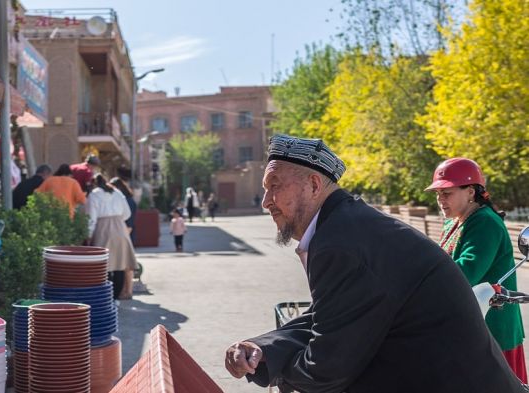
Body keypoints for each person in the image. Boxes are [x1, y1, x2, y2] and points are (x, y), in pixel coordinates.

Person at [224, 135, 526, 393]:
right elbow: (331, 314)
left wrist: (279, 371)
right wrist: (265, 349)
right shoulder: (346, 226)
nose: (266, 201)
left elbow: (327, 368)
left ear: (314, 185)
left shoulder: (340, 242)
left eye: (274, 185)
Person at [426, 157, 527, 382]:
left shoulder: (485, 222)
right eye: (438, 194)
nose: (440, 200)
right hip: (464, 324)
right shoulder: (454, 221)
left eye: (447, 193)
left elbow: (464, 272)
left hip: (491, 327)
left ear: (470, 192)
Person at [86, 174, 137, 300]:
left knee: (103, 265)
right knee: (120, 263)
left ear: (94, 184)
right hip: (120, 227)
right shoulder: (117, 192)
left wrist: (88, 235)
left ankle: (106, 297)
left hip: (103, 228)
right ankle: (116, 296)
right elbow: (127, 213)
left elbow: (91, 218)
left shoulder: (94, 195)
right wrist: (117, 219)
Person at [110, 170, 137, 296]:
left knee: (126, 265)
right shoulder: (128, 199)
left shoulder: (127, 201)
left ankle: (128, 291)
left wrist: (123, 236)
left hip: (126, 233)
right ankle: (126, 290)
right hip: (125, 233)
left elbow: (129, 222)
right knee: (125, 264)